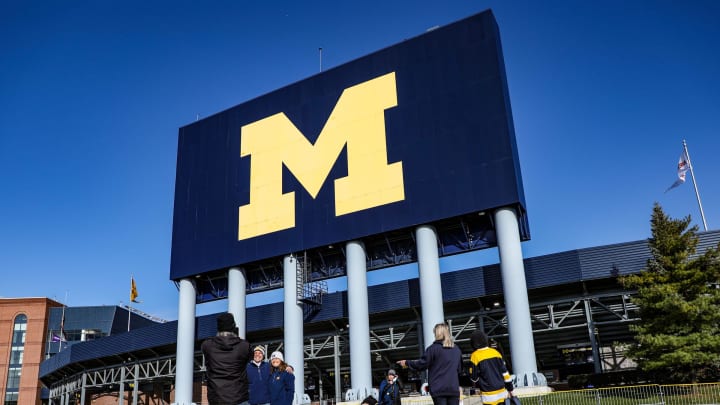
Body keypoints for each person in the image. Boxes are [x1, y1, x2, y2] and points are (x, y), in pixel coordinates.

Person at [397, 323, 462, 405]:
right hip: (453, 389)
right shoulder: (457, 350)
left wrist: (407, 362)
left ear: (437, 333)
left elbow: (421, 364)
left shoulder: (432, 349)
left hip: (438, 390)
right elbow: (459, 370)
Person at [201, 312, 252, 405]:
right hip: (239, 397)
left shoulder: (207, 345)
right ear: (233, 326)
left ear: (218, 327)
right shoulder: (244, 346)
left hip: (216, 398)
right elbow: (247, 359)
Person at [468, 330, 514, 405]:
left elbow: (474, 377)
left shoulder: (475, 356)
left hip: (487, 394)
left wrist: (476, 386)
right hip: (501, 392)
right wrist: (510, 388)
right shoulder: (496, 353)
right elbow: (505, 373)